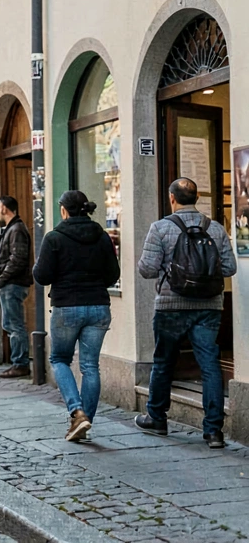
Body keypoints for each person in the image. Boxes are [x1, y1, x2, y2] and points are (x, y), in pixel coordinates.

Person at [135, 177, 237, 449]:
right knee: (210, 365)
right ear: (197, 198)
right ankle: (214, 431)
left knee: (163, 362)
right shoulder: (215, 229)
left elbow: (146, 269)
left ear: (172, 198)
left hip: (170, 306)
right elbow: (229, 268)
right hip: (208, 306)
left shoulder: (160, 228)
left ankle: (157, 418)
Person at [33, 190, 120, 441]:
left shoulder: (54, 238)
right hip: (98, 306)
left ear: (64, 210)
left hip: (67, 306)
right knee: (90, 366)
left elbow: (42, 276)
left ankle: (77, 412)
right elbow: (113, 275)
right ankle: (84, 421)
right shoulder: (102, 237)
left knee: (59, 359)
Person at [0, 196, 33, 378]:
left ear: (4, 209)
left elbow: (18, 258)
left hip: (13, 283)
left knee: (14, 324)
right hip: (10, 282)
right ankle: (18, 362)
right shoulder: (11, 228)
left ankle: (20, 363)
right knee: (11, 323)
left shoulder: (16, 229)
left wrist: (3, 277)